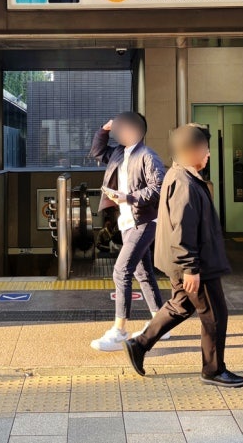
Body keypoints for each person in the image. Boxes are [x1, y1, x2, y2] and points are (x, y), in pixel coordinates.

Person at [123, 124, 243, 387]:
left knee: (181, 305)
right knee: (215, 315)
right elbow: (182, 229)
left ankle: (140, 344)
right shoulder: (184, 183)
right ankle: (213, 370)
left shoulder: (180, 175)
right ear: (192, 151)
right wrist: (191, 268)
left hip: (188, 261)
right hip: (195, 264)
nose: (209, 155)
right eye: (206, 150)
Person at [89, 112, 168, 351]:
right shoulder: (118, 153)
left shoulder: (147, 155)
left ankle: (120, 330)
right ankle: (160, 325)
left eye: (122, 129)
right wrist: (104, 128)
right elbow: (96, 151)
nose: (118, 133)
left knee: (121, 270)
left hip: (144, 222)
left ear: (136, 131)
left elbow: (159, 186)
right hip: (127, 221)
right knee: (143, 273)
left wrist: (129, 197)